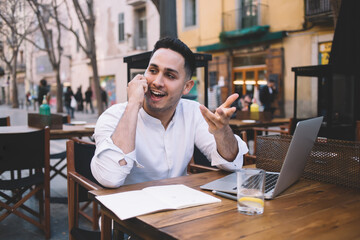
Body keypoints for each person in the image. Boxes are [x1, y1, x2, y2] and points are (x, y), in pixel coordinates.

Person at [90, 37, 248, 188]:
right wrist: (133, 104)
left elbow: (232, 164)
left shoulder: (193, 111)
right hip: (128, 214)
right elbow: (109, 178)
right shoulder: (113, 116)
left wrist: (222, 133)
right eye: (153, 70)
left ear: (187, 87)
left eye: (170, 75)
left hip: (179, 211)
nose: (157, 82)